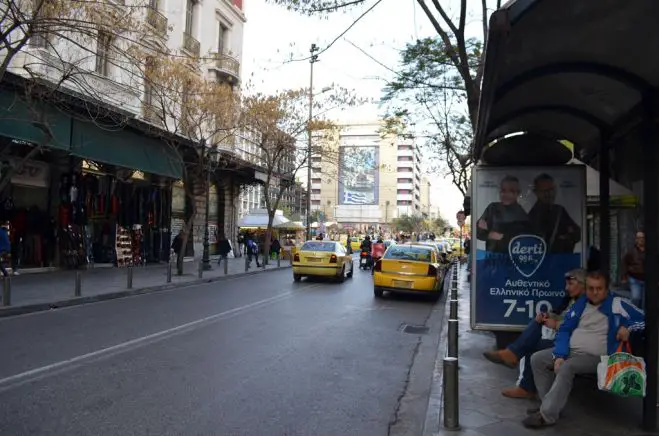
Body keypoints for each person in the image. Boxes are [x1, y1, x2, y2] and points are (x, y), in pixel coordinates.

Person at [524, 270, 644, 429]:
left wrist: (628, 328)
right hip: (572, 352)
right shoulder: (580, 304)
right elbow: (565, 329)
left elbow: (645, 319)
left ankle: (547, 415)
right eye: (591, 288)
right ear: (586, 289)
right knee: (537, 359)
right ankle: (548, 405)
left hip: (598, 357)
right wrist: (559, 355)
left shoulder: (618, 303)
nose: (594, 292)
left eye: (599, 288)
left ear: (606, 289)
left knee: (568, 366)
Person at [483, 269, 586, 399]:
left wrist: (556, 325)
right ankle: (515, 361)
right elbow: (565, 317)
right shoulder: (573, 300)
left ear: (583, 284)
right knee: (535, 326)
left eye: (570, 284)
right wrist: (548, 316)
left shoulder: (588, 304)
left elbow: (581, 327)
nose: (566, 288)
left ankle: (518, 366)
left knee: (532, 344)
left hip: (573, 344)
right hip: (563, 339)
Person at [527, 173, 581, 253]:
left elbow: (577, 233)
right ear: (536, 192)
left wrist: (566, 238)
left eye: (551, 190)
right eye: (544, 191)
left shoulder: (559, 210)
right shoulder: (533, 216)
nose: (549, 194)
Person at [476, 175, 530, 253]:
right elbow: (478, 232)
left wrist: (495, 234)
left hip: (512, 259)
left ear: (517, 193)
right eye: (503, 191)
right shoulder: (492, 208)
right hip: (492, 259)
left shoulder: (521, 214)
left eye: (511, 191)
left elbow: (521, 239)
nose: (506, 194)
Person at [622, 231, 645, 309]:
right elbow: (624, 263)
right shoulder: (631, 251)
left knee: (646, 302)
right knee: (636, 298)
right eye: (639, 238)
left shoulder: (651, 251)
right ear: (636, 239)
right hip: (635, 278)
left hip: (648, 279)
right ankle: (635, 315)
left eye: (642, 237)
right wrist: (624, 276)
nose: (641, 239)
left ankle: (644, 319)